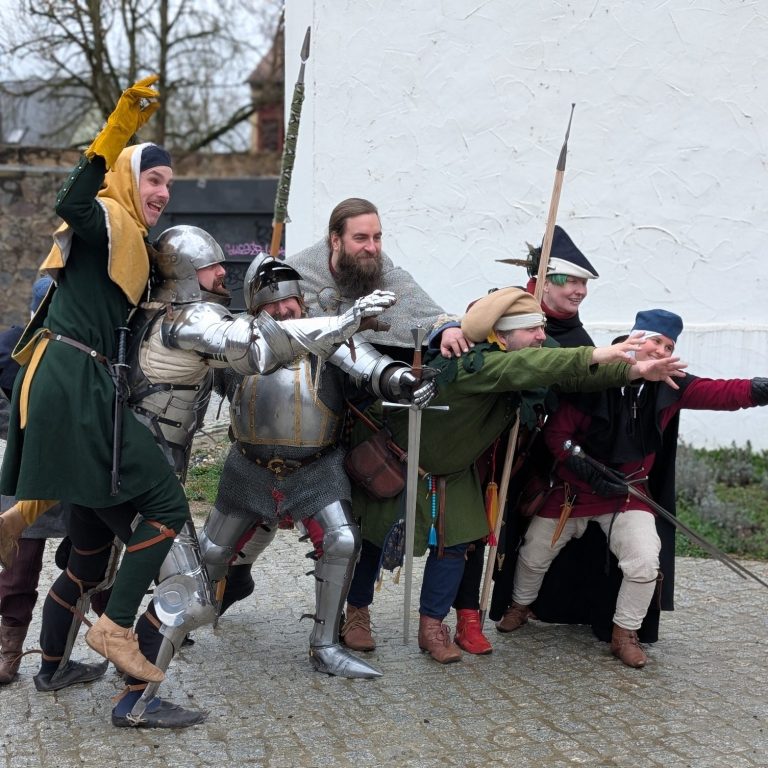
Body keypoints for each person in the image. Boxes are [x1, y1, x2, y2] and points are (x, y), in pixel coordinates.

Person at [343, 288, 686, 664]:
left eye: (542, 327)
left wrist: (631, 371)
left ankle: (432, 628)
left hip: (453, 472)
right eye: (531, 329)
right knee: (375, 540)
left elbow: (571, 375)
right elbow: (527, 367)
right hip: (400, 460)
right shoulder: (474, 362)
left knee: (454, 547)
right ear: (501, 336)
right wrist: (601, 354)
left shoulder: (528, 355)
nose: (542, 336)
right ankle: (357, 613)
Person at [0, 75, 190, 690]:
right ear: (128, 177)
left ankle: (14, 525)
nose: (162, 192)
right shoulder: (108, 217)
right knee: (166, 506)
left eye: (168, 184)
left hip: (70, 374)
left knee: (88, 498)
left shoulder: (127, 235)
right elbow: (71, 199)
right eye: (153, 179)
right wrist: (121, 124)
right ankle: (116, 627)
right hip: (74, 377)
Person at [200, 253, 434, 679]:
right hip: (247, 468)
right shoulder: (237, 345)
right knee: (211, 552)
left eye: (289, 301)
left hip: (316, 469)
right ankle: (185, 621)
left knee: (342, 541)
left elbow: (371, 367)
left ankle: (325, 645)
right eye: (272, 305)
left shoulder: (330, 337)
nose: (283, 310)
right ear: (256, 310)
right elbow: (194, 367)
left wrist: (402, 380)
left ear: (302, 301)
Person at [497, 308, 768, 668]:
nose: (662, 350)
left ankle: (624, 633)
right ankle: (520, 605)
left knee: (644, 562)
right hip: (573, 494)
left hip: (627, 496)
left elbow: (721, 392)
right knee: (533, 553)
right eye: (656, 341)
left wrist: (760, 389)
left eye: (669, 346)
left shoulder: (670, 384)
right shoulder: (596, 373)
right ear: (634, 338)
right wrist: (584, 469)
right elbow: (557, 434)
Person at [286, 197, 470, 360]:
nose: (372, 248)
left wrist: (446, 329)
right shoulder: (294, 276)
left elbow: (427, 315)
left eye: (377, 238)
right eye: (360, 238)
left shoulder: (385, 273)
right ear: (336, 241)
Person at [0, 276, 69, 685]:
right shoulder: (8, 346)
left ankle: (112, 642)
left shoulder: (80, 350)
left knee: (93, 560)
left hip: (75, 470)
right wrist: (22, 433)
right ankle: (9, 652)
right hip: (24, 470)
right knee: (18, 568)